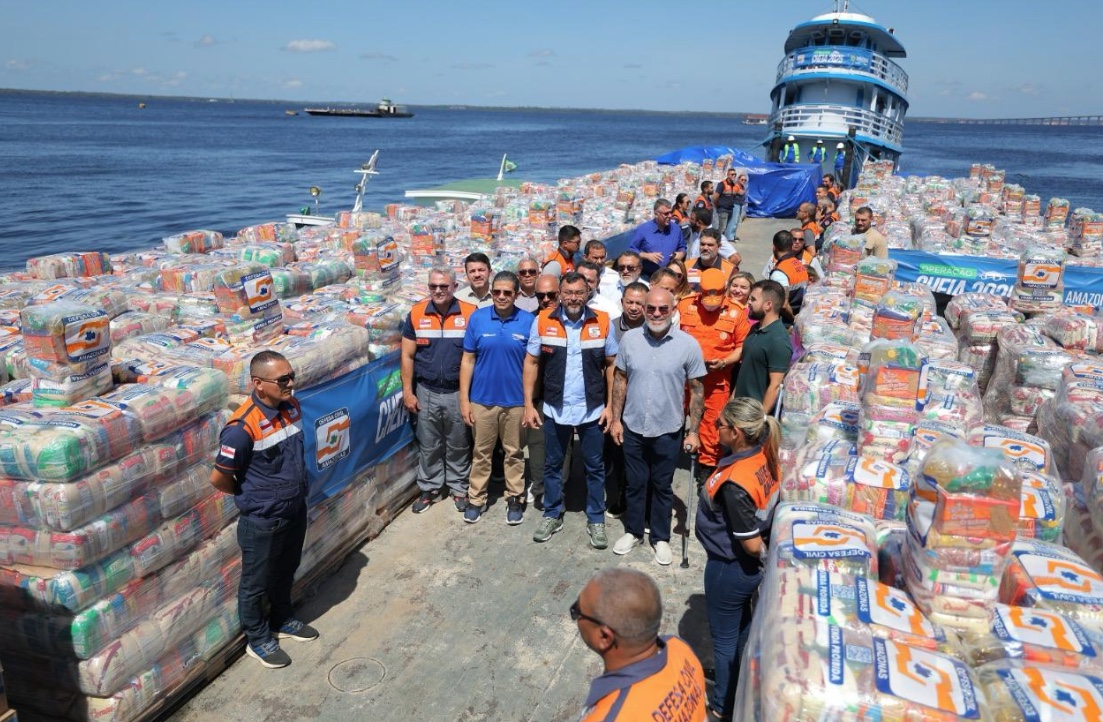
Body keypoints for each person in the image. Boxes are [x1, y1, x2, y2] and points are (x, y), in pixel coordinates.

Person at [210, 350, 317, 669]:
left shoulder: (292, 407)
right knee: (255, 582)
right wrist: (253, 497)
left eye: (291, 376)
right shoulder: (241, 428)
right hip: (263, 520)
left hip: (294, 508)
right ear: (258, 384)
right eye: (283, 379)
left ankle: (282, 619)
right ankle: (257, 639)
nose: (291, 383)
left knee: (287, 567)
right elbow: (219, 478)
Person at [695, 398, 781, 721]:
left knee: (724, 640)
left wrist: (764, 561)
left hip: (729, 569)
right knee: (741, 629)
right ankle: (737, 688)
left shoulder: (736, 484)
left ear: (735, 433)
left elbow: (749, 543)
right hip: (742, 572)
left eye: (720, 425)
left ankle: (721, 707)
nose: (715, 428)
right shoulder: (762, 455)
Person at [609, 288, 705, 566]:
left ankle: (660, 537)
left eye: (663, 309)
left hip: (668, 429)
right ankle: (634, 531)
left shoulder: (688, 345)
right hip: (634, 426)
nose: (656, 314)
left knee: (662, 486)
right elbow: (620, 380)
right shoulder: (630, 339)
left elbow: (697, 390)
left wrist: (694, 431)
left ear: (673, 310)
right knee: (635, 484)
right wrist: (616, 419)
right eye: (651, 308)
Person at [525, 272, 618, 548]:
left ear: (588, 292)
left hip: (592, 409)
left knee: (594, 467)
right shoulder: (543, 321)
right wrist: (529, 404)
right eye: (568, 293)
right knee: (552, 465)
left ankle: (596, 519)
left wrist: (611, 406)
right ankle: (552, 513)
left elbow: (613, 365)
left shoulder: (601, 321)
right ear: (560, 294)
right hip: (555, 408)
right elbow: (531, 363)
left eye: (579, 292)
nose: (574, 298)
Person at [574, 568, 708, 722]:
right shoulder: (679, 648)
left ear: (604, 637)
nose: (576, 615)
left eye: (576, 611)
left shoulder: (611, 716)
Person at [459, 270, 536, 524]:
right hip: (482, 400)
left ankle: (515, 497)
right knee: (481, 452)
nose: (502, 297)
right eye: (498, 292)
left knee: (514, 452)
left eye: (508, 293)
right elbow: (468, 360)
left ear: (516, 295)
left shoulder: (528, 321)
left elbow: (533, 364)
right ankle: (476, 497)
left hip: (515, 402)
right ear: (492, 293)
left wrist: (529, 404)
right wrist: (464, 400)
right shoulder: (478, 319)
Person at [401, 268, 476, 516]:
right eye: (433, 286)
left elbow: (475, 356)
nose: (438, 291)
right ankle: (430, 488)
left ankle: (458, 487)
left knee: (458, 443)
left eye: (444, 286)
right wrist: (408, 392)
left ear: (454, 286)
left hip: (457, 392)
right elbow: (408, 355)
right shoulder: (416, 313)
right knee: (429, 444)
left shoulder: (469, 313)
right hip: (426, 390)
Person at [677, 269, 748, 482]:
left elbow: (742, 346)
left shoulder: (736, 312)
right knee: (674, 418)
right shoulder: (685, 305)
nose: (711, 303)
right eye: (707, 297)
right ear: (699, 290)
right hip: (683, 380)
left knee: (712, 427)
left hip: (716, 381)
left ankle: (706, 469)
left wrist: (725, 362)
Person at [524, 275, 570, 510]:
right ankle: (539, 484)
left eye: (551, 295)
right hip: (538, 395)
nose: (545, 299)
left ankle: (559, 488)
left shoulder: (571, 319)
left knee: (563, 444)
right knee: (537, 443)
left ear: (560, 292)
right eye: (540, 296)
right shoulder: (530, 320)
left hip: (564, 394)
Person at [605, 282, 648, 518]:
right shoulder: (610, 328)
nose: (633, 307)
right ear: (621, 302)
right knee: (617, 454)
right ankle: (620, 497)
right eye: (629, 302)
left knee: (640, 457)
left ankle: (640, 503)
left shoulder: (653, 328)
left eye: (639, 303)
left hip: (643, 403)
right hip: (615, 401)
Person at [734, 280, 792, 415]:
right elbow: (746, 371)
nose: (748, 302)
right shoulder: (755, 328)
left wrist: (759, 420)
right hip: (738, 409)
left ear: (768, 305)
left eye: (753, 299)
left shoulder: (779, 341)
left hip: (752, 416)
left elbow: (775, 386)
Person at [627, 199, 687, 278]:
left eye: (671, 212)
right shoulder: (643, 230)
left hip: (670, 275)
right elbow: (631, 250)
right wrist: (647, 256)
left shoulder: (676, 229)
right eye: (666, 214)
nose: (670, 216)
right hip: (649, 276)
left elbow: (682, 247)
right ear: (656, 214)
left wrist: (680, 254)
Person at [768, 230, 809, 317]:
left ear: (774, 247)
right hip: (801, 313)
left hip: (786, 321)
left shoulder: (779, 272)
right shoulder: (798, 264)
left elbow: (784, 305)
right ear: (791, 246)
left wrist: (793, 320)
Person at [714, 167, 748, 242]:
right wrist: (717, 206)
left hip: (730, 208)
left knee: (730, 224)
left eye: (735, 174)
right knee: (723, 227)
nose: (733, 176)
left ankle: (727, 238)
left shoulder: (733, 185)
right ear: (728, 174)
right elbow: (716, 197)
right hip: (725, 208)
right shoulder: (725, 184)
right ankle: (720, 241)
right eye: (732, 174)